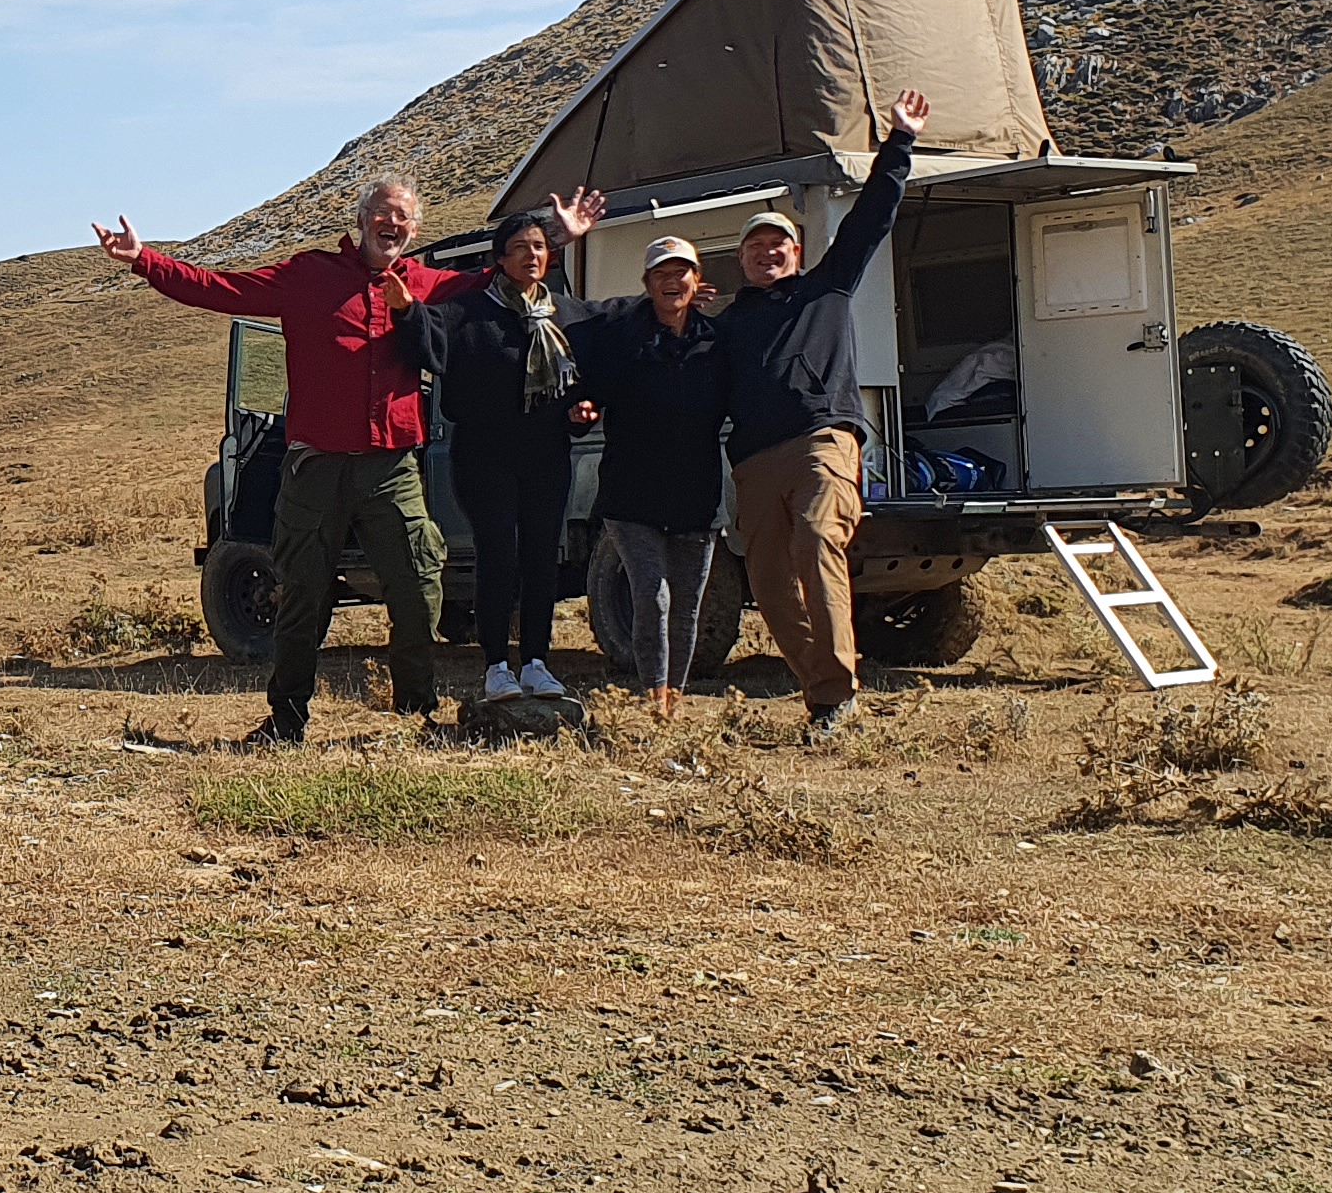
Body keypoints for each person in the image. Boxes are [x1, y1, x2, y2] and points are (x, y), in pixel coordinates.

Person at [92, 176, 581, 742]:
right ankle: (287, 721)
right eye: (382, 213)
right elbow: (222, 289)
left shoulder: (426, 283)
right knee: (301, 597)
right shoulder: (308, 276)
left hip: (391, 468)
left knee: (419, 590)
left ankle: (415, 717)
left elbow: (504, 274)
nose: (391, 224)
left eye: (402, 217)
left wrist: (556, 235)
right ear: (362, 219)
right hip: (316, 468)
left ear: (414, 229)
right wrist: (144, 260)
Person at [717, 90, 932, 735]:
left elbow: (873, 216)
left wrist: (899, 142)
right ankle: (824, 696)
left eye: (778, 243)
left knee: (816, 541)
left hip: (821, 442)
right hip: (754, 461)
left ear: (799, 251)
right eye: (756, 246)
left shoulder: (827, 288)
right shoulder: (725, 325)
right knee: (768, 580)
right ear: (741, 259)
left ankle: (837, 691)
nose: (768, 252)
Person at [381, 208, 602, 707]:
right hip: (484, 458)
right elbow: (426, 336)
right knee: (498, 556)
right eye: (520, 247)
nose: (531, 256)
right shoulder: (468, 312)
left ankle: (538, 662)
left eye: (539, 247)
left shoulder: (566, 315)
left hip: (546, 456)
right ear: (500, 258)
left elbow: (590, 369)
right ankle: (497, 666)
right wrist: (405, 310)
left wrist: (583, 410)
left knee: (541, 557)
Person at [563, 234, 725, 720]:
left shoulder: (720, 341)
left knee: (688, 605)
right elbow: (587, 393)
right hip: (631, 494)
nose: (672, 282)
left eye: (681, 273)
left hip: (697, 494)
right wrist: (582, 410)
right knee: (652, 597)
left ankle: (674, 701)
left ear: (697, 280)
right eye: (661, 274)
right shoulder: (621, 339)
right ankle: (654, 698)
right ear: (647, 284)